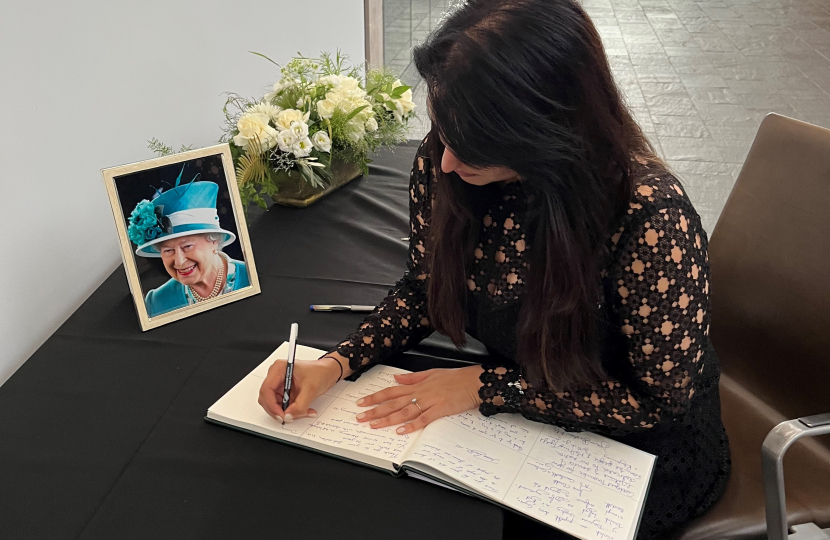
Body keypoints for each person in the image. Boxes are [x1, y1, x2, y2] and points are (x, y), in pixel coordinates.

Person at [258, 0, 730, 537]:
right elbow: (424, 287)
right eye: (441, 130)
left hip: (634, 453)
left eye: (475, 149)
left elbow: (658, 404)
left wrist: (488, 386)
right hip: (520, 416)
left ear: (544, 136)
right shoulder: (447, 160)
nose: (445, 163)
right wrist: (337, 364)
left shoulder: (647, 220)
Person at [127, 172, 250, 318]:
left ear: (214, 241)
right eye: (168, 250)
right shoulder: (157, 302)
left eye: (187, 247)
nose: (179, 261)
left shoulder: (250, 277)